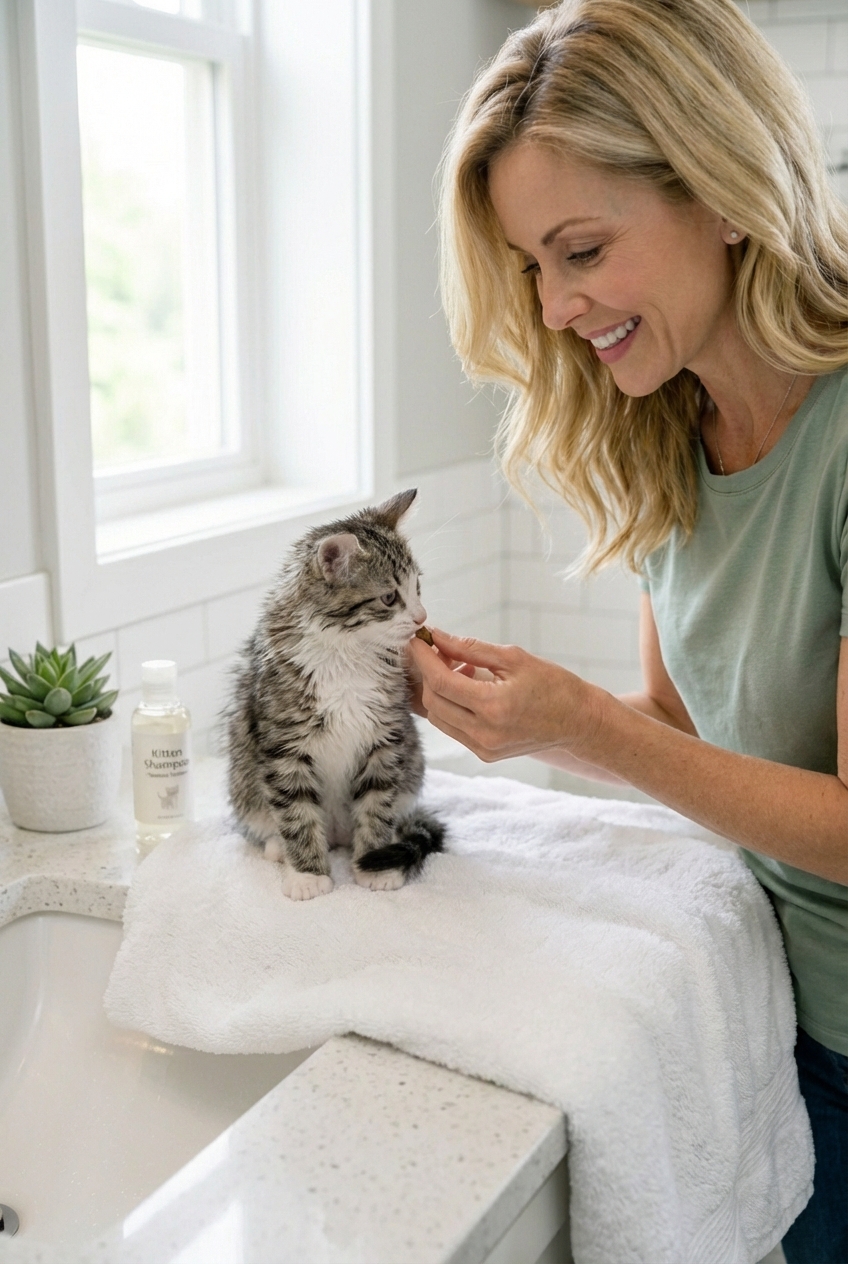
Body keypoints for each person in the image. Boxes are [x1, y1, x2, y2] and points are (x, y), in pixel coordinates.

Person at [406, 1, 848, 1259]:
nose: (552, 308)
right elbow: (680, 733)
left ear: (719, 191)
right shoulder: (670, 429)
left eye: (581, 250)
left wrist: (582, 721)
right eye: (531, 265)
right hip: (767, 1014)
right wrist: (521, 719)